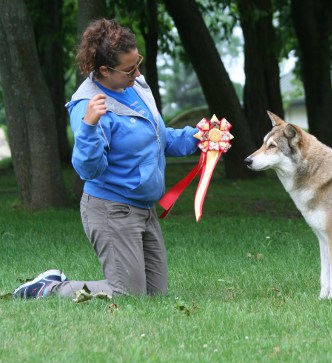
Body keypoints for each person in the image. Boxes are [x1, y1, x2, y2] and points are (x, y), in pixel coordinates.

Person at [13, 18, 199, 299]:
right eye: (129, 69)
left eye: (138, 63)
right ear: (104, 70)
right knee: (127, 294)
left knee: (155, 295)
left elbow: (158, 138)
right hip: (111, 210)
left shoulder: (135, 88)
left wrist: (197, 138)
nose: (137, 74)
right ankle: (48, 288)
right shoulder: (88, 105)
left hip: (144, 209)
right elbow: (88, 169)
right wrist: (88, 127)